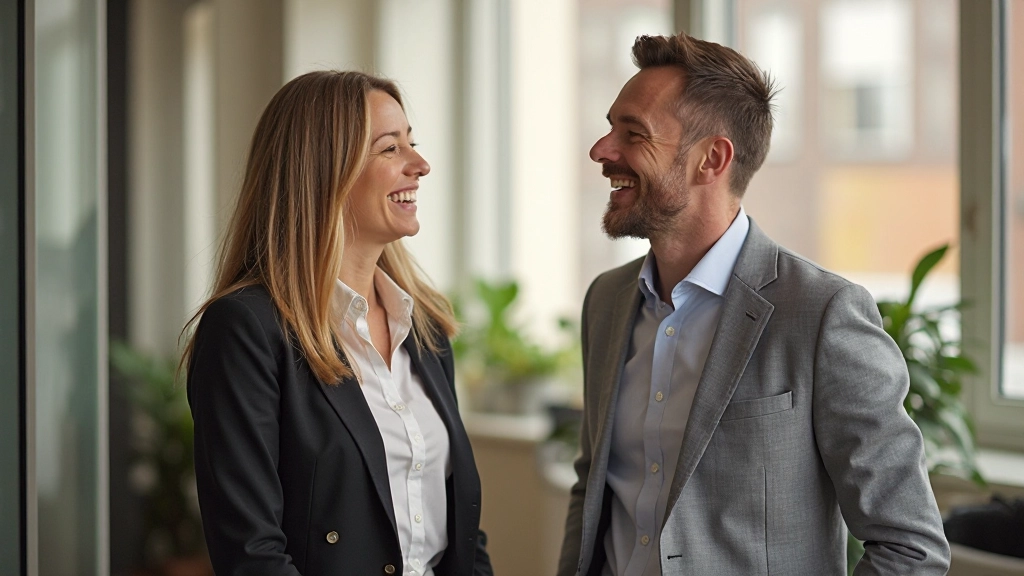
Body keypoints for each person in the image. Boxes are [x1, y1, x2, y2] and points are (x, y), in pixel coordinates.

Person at [558, 32, 950, 576]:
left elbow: (910, 547)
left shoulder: (822, 315)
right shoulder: (605, 301)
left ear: (711, 159)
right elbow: (592, 487)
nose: (602, 150)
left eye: (633, 134)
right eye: (609, 128)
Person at [183, 71, 492, 576]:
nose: (420, 165)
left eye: (412, 144)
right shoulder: (246, 329)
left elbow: (463, 535)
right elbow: (251, 555)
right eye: (390, 148)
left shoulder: (425, 329)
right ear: (325, 171)